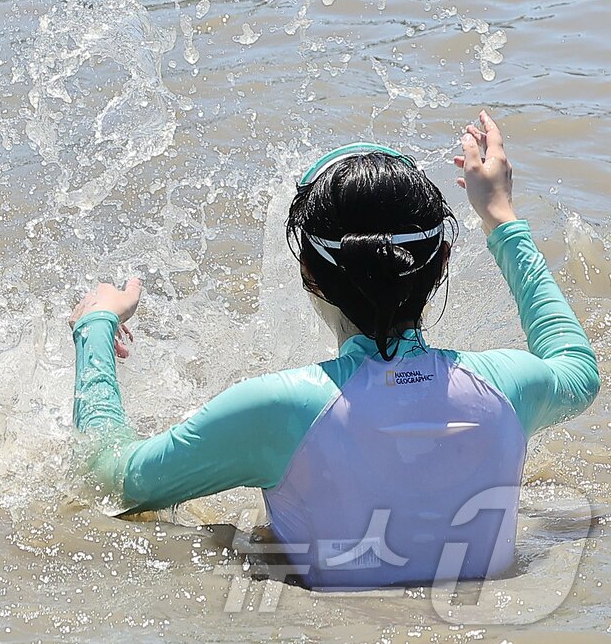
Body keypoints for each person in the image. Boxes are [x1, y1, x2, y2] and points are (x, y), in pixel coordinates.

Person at [70, 113, 599, 590]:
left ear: (309, 276)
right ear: (441, 263)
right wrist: (501, 218)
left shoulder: (279, 408)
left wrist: (95, 326)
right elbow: (578, 369)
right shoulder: (506, 387)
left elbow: (113, 477)